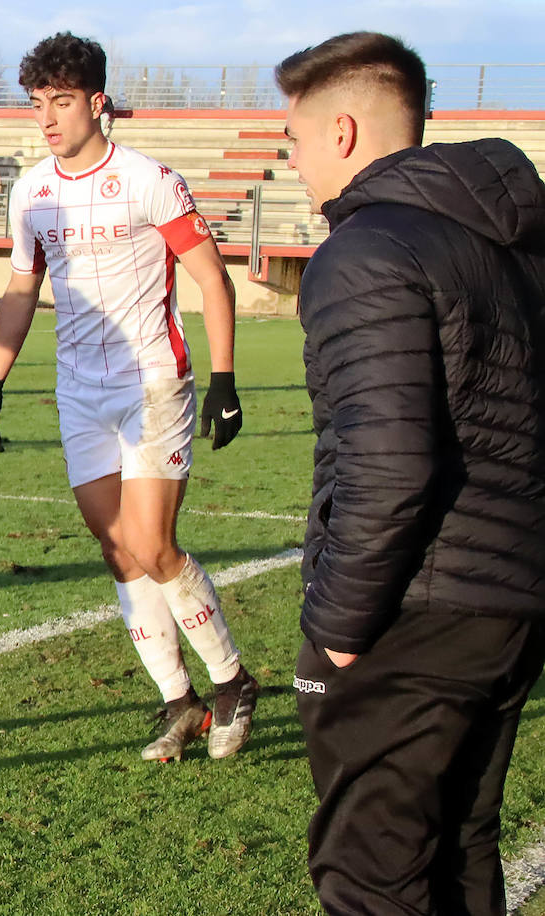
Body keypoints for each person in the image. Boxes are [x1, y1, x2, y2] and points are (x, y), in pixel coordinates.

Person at [278, 32, 545, 915]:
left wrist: (337, 627)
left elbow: (388, 461)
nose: (293, 162)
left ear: (343, 131)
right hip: (508, 603)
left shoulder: (366, 250)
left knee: (373, 873)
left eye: (296, 140)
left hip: (419, 607)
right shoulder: (513, 246)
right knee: (461, 851)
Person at [0, 32, 256, 763]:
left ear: (97, 102)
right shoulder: (30, 192)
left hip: (153, 382)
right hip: (78, 393)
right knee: (118, 550)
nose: (47, 117)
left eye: (61, 101)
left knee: (152, 543)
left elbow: (213, 279)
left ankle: (232, 682)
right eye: (37, 103)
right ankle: (180, 702)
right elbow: (21, 291)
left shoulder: (149, 180)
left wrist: (224, 380)